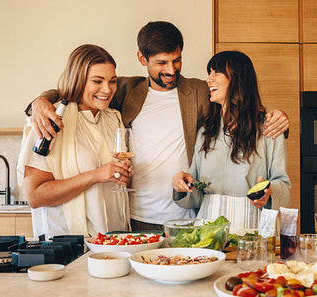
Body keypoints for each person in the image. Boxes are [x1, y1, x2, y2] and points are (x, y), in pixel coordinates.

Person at [27, 21, 289, 231]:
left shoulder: (199, 92)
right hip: (132, 218)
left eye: (176, 60)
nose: (171, 70)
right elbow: (79, 88)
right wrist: (41, 101)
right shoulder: (124, 90)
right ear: (143, 59)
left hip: (185, 218)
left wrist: (278, 119)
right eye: (161, 63)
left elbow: (237, 105)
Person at [17, 44, 132, 238]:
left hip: (112, 241)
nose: (107, 89)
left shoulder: (114, 118)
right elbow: (35, 196)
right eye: (97, 81)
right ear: (78, 80)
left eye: (112, 81)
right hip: (66, 243)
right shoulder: (49, 120)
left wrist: (123, 175)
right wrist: (96, 175)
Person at [172, 51, 291, 234]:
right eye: (209, 73)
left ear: (237, 78)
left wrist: (268, 193)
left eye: (216, 72)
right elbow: (195, 196)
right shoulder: (206, 131)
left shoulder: (268, 128)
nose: (208, 80)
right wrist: (182, 185)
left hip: (253, 228)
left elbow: (282, 184)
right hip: (207, 230)